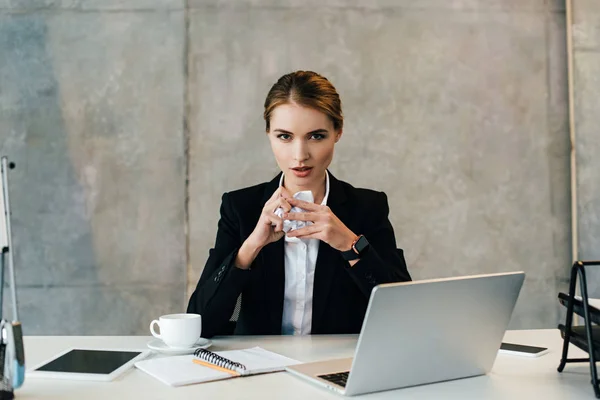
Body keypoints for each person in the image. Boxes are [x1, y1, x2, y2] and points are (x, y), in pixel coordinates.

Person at [187, 71, 411, 338]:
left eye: (316, 136)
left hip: (336, 368)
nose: (300, 155)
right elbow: (200, 324)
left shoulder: (367, 207)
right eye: (285, 136)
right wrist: (250, 247)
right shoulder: (240, 207)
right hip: (261, 369)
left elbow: (405, 315)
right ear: (268, 133)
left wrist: (349, 245)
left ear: (338, 132)